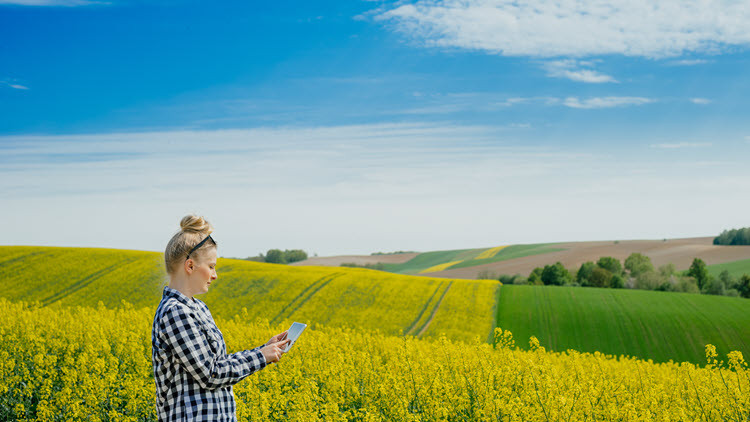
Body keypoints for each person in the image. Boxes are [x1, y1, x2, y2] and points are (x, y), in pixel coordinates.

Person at [152, 215, 290, 421]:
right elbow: (211, 374)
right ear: (190, 266)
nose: (215, 275)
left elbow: (218, 363)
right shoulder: (175, 312)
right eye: (211, 266)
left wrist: (263, 349)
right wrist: (261, 357)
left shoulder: (197, 308)